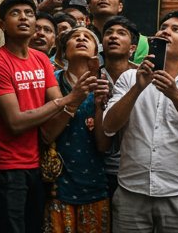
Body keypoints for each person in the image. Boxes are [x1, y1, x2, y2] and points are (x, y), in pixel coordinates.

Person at [0, 0, 96, 233]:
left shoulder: (40, 59)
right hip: (8, 165)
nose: (23, 18)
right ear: (2, 25)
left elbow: (57, 107)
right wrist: (68, 100)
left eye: (29, 13)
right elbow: (15, 122)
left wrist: (72, 101)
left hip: (37, 163)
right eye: (15, 13)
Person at [103, 11, 178, 233]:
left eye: (176, 29)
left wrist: (175, 94)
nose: (166, 31)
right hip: (130, 191)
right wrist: (138, 87)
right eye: (163, 27)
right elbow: (109, 126)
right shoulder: (129, 77)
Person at [44, 27, 114, 233]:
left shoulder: (103, 84)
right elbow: (46, 135)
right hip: (57, 185)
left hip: (94, 182)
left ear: (96, 54)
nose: (81, 39)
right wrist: (73, 100)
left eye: (87, 37)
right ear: (64, 52)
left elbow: (103, 145)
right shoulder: (53, 81)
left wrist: (100, 106)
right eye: (75, 37)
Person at [98, 15, 139, 198]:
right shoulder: (92, 76)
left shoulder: (143, 77)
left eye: (121, 33)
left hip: (133, 167)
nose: (113, 36)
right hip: (97, 165)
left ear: (132, 48)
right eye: (109, 33)